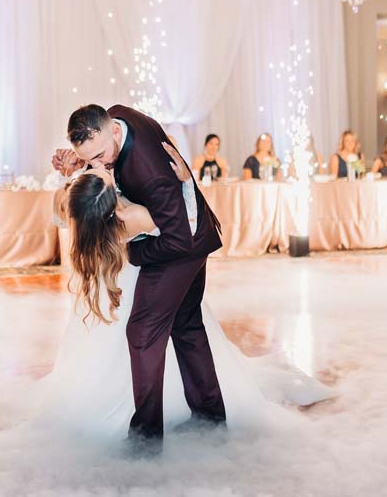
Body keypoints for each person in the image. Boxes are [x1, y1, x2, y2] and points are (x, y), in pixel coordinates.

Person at [39, 143, 334, 445]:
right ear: (110, 201)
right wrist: (184, 183)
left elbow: (65, 212)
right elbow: (179, 225)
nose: (100, 168)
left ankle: (122, 410)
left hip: (104, 288)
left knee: (115, 345)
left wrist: (73, 177)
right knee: (163, 334)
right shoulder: (132, 215)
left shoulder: (73, 204)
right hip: (145, 279)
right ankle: (176, 411)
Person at [52, 104, 225, 452]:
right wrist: (82, 165)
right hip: (185, 230)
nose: (97, 165)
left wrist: (130, 254)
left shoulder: (151, 175)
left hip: (178, 246)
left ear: (114, 132)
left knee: (143, 332)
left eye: (100, 156)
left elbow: (176, 240)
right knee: (187, 325)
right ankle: (210, 418)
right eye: (90, 160)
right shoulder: (115, 117)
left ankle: (146, 438)